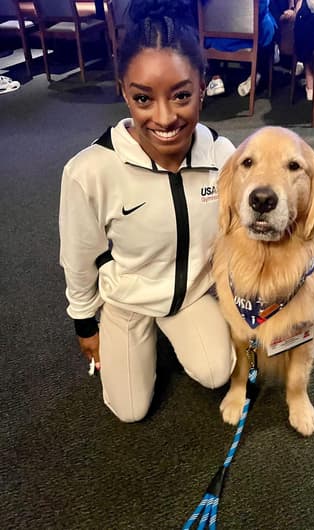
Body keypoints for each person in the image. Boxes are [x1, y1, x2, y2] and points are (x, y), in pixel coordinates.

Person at [59, 0, 236, 423]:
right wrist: (85, 324)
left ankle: (174, 334)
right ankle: (133, 336)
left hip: (192, 293)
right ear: (123, 90)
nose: (164, 118)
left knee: (218, 372)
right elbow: (79, 257)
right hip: (128, 300)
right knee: (130, 411)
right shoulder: (90, 171)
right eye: (143, 98)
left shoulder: (222, 155)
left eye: (181, 96)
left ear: (203, 86)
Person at [203, 0, 277, 97]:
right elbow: (261, 10)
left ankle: (215, 77)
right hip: (249, 41)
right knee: (268, 27)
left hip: (215, 39)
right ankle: (257, 73)